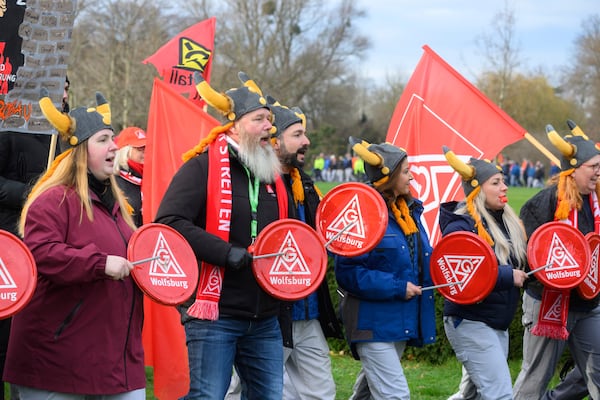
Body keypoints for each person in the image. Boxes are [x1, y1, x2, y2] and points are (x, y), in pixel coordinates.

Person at [154, 71, 290, 399]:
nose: (269, 128)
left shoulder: (271, 175)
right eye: (259, 120)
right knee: (208, 396)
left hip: (265, 316)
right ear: (235, 124)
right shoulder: (202, 167)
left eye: (269, 120)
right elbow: (169, 222)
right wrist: (226, 252)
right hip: (216, 314)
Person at [3, 89, 145, 398]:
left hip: (113, 362)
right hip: (55, 363)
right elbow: (40, 254)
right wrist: (100, 264)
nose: (115, 145)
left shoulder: (120, 206)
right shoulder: (52, 200)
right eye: (103, 139)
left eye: (113, 138)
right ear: (80, 150)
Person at [335, 138, 436, 400]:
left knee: (368, 394)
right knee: (396, 395)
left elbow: (421, 259)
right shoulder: (363, 214)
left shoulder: (409, 212)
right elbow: (348, 272)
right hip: (371, 324)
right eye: (405, 171)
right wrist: (397, 287)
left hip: (400, 322)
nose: (411, 176)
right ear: (388, 177)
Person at [513, 121, 600, 400]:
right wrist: (561, 271)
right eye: (593, 166)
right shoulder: (543, 203)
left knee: (597, 371)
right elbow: (525, 257)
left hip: (589, 304)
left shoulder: (597, 201)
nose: (599, 172)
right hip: (549, 303)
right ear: (573, 171)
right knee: (535, 378)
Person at [267, 98, 344, 399]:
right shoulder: (257, 186)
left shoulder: (307, 185)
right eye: (297, 135)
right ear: (274, 142)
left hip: (308, 311)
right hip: (270, 315)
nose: (306, 141)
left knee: (321, 392)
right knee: (245, 391)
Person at [440, 147, 528, 399]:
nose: (505, 187)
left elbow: (519, 261)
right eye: (496, 182)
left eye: (504, 181)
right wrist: (507, 276)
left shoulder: (505, 221)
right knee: (499, 394)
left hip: (495, 320)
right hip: (470, 321)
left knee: (474, 395)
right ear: (478, 189)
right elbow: (463, 273)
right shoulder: (461, 226)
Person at [114, 126, 146, 227]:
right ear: (125, 151)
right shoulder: (114, 181)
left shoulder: (152, 179)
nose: (145, 152)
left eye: (147, 147)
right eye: (140, 149)